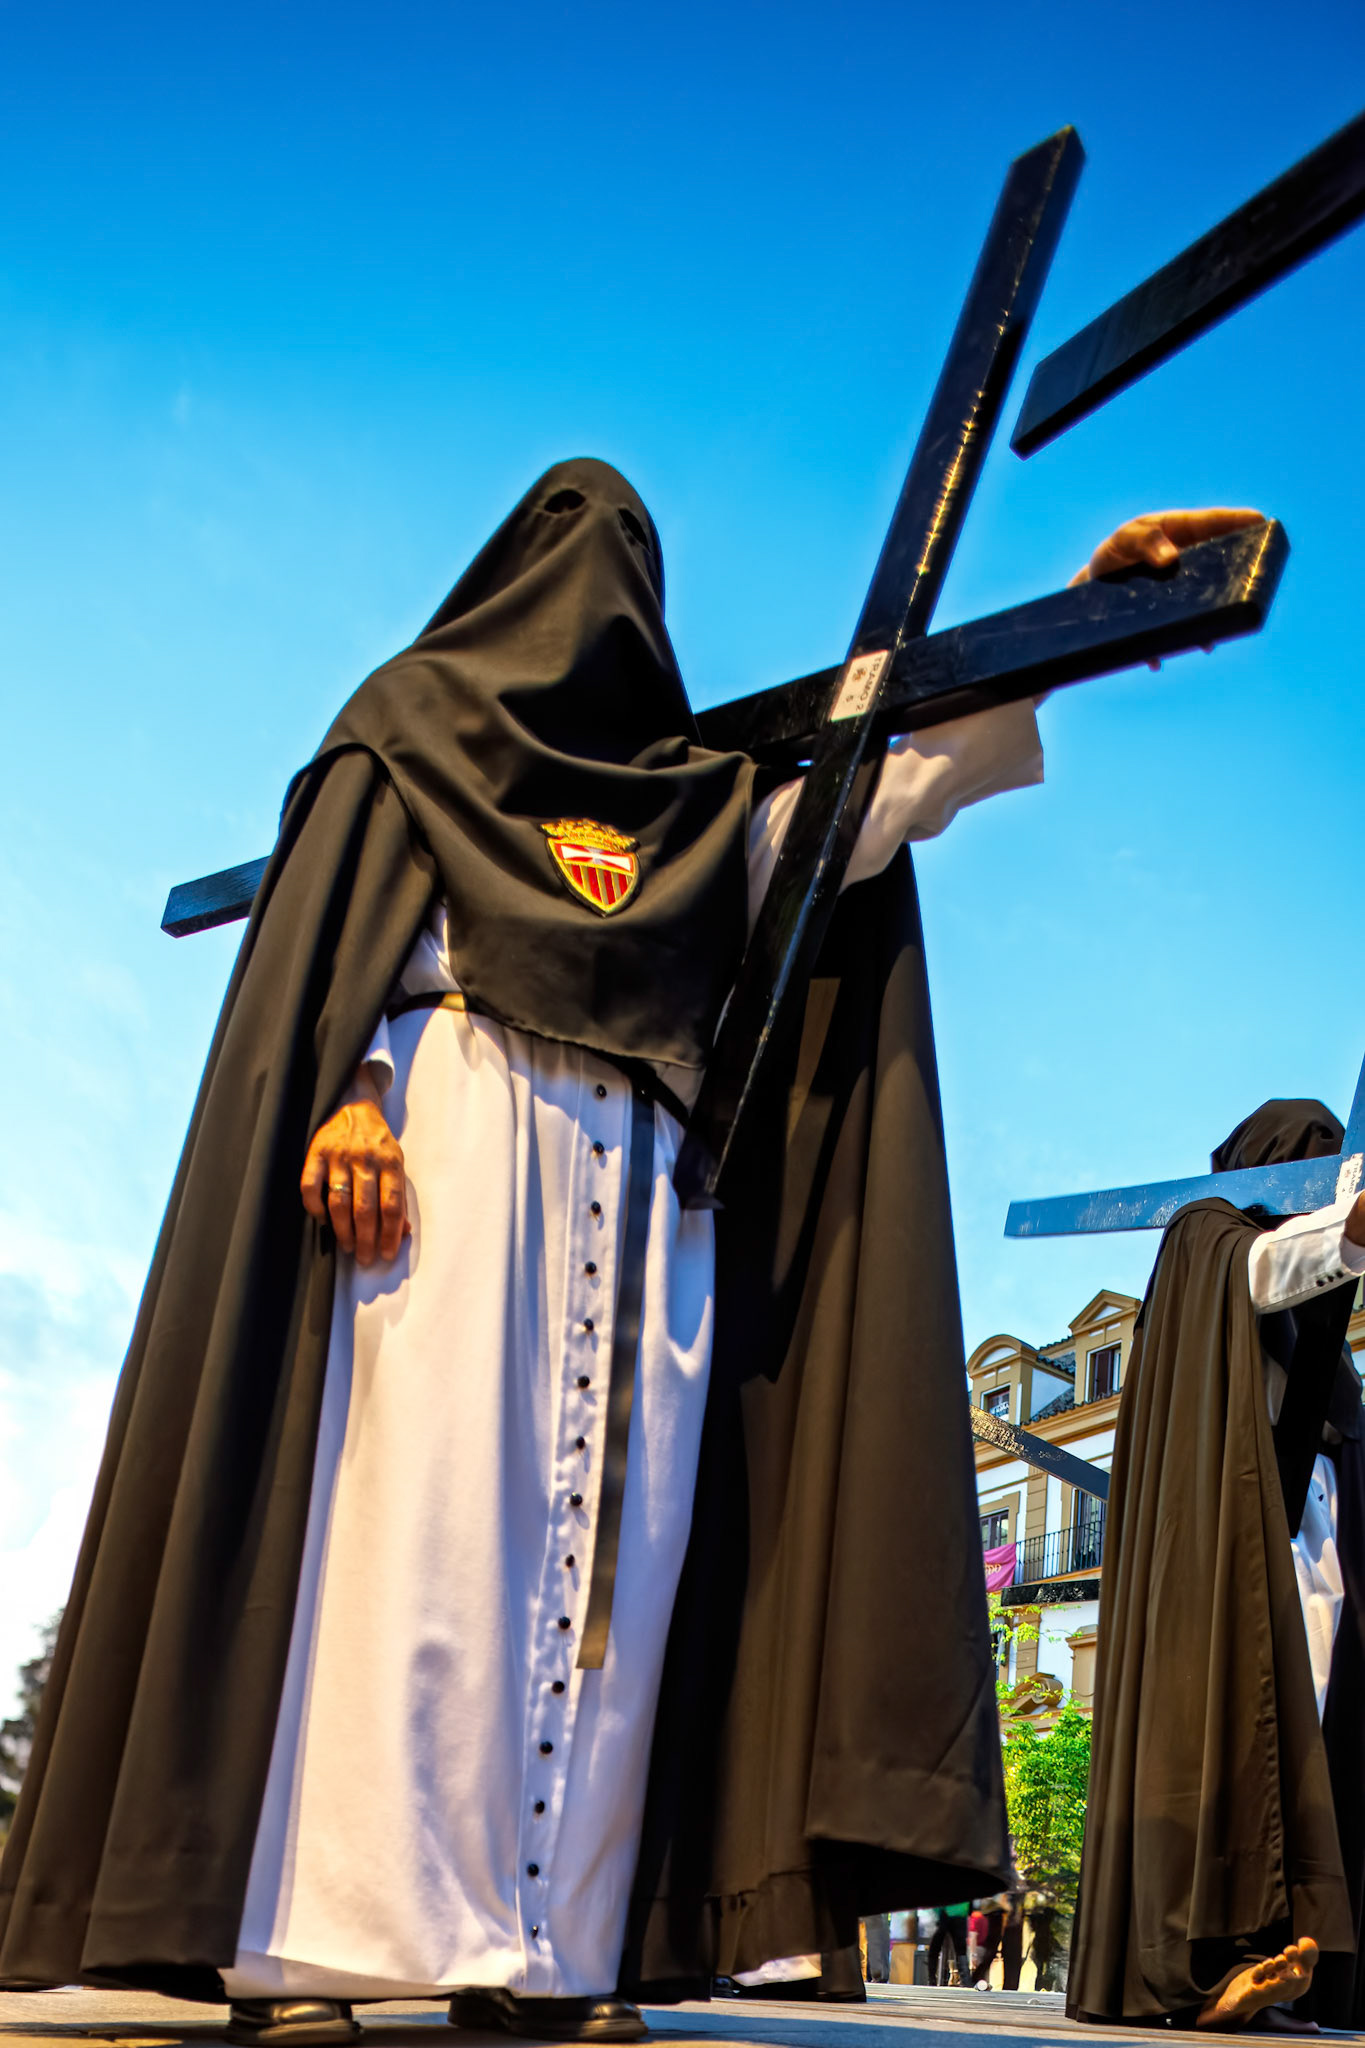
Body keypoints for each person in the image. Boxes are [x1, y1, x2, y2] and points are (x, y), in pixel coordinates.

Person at [0, 464, 1254, 2045]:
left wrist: (1102, 622)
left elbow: (880, 794)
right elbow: (327, 961)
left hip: (648, 1204)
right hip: (448, 1172)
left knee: (607, 1579)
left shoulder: (699, 806)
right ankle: (319, 1945)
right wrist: (354, 1097)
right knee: (417, 1554)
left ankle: (542, 1952)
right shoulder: (406, 735)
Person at [1069, 1099, 1365, 2031]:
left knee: (1313, 1738)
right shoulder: (1207, 1232)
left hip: (1317, 1531)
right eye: (1305, 1161)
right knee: (1233, 1727)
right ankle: (1208, 1963)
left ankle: (1301, 1964)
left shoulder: (1329, 1340)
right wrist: (1345, 1226)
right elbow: (1267, 1266)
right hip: (1231, 1529)